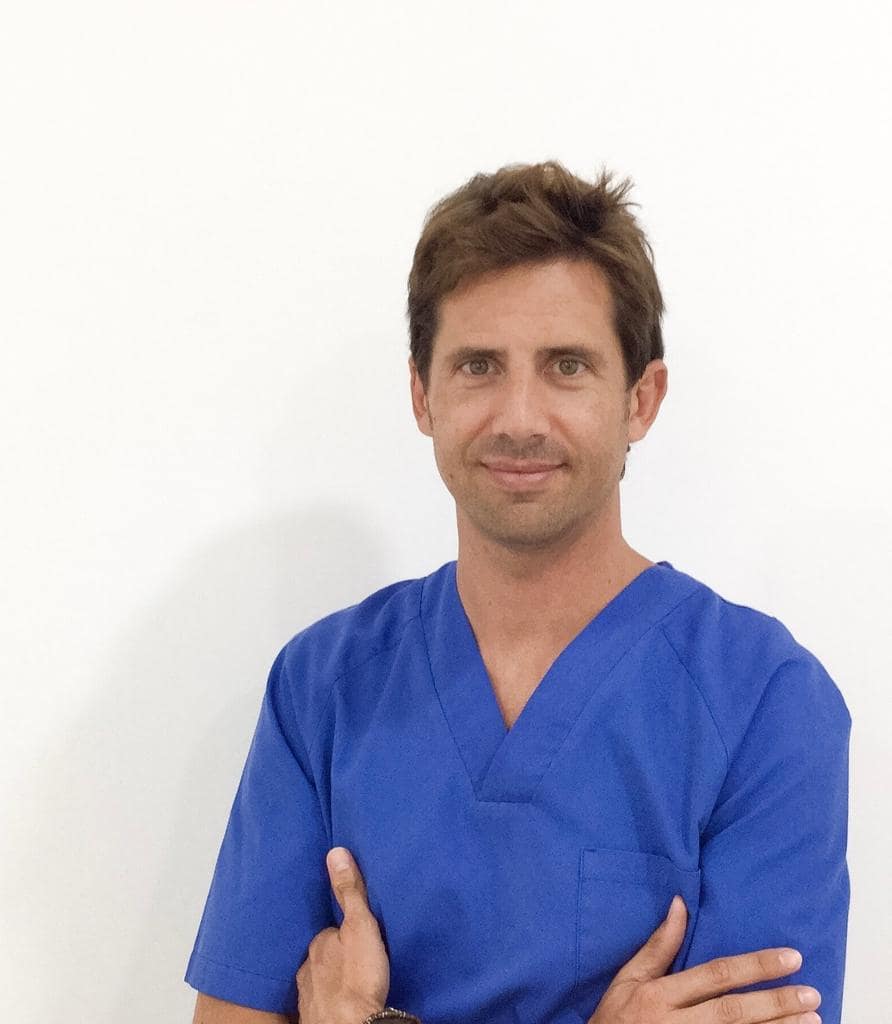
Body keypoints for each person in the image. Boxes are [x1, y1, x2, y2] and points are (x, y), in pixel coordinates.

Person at [184, 161, 850, 1024]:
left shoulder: (765, 698)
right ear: (423, 395)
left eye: (567, 366)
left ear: (641, 399)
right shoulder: (324, 686)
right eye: (478, 366)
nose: (520, 419)